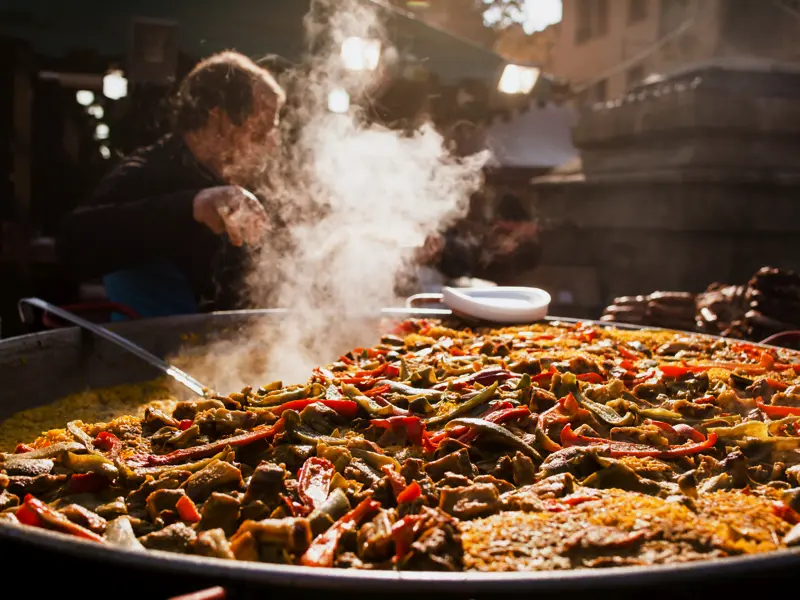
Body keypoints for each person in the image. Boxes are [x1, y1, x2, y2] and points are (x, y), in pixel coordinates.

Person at [58, 51, 285, 317]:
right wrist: (192, 206)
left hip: (224, 349)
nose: (272, 144)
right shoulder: (147, 172)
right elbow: (73, 245)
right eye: (261, 131)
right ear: (220, 119)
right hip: (149, 351)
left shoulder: (235, 183)